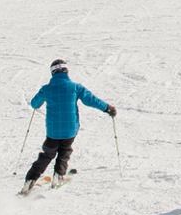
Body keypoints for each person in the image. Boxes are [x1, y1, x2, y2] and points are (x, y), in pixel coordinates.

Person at [21, 59, 115, 194]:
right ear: (66, 71)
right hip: (70, 130)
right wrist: (107, 108)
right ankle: (58, 176)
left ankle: (30, 180)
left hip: (52, 132)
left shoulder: (46, 89)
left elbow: (34, 104)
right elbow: (91, 100)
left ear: (52, 73)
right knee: (64, 152)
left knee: (47, 155)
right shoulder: (75, 87)